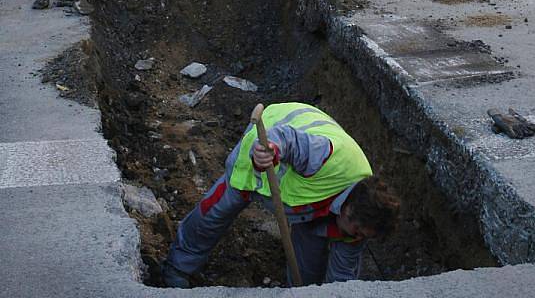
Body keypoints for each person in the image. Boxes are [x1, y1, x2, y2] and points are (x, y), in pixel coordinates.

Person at [162, 102, 400, 288]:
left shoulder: (361, 220)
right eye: (357, 231)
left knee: (310, 264)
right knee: (215, 213)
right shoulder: (331, 159)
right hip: (266, 142)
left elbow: (343, 277)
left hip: (310, 201)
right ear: (348, 210)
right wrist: (271, 151)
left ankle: (302, 290)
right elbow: (288, 138)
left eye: (362, 235)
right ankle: (177, 269)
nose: (357, 237)